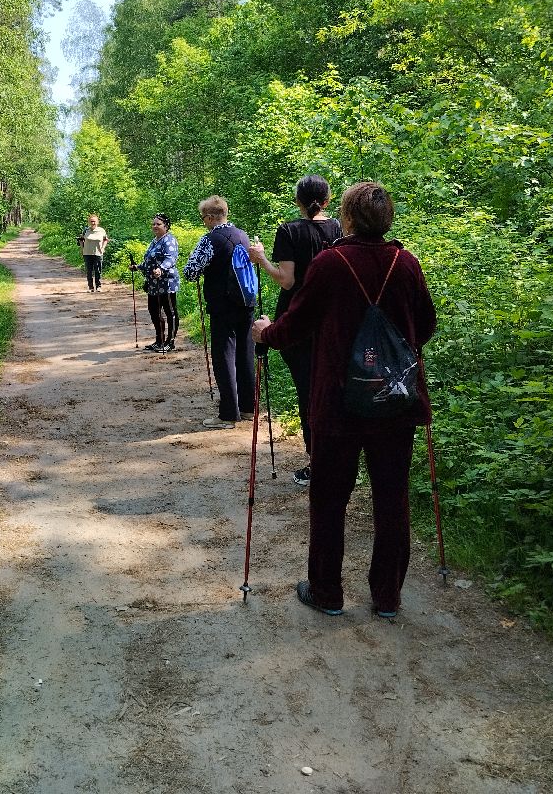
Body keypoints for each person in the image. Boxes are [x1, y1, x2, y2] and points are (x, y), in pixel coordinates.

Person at [252, 182, 436, 619]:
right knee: (392, 497)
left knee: (330, 496)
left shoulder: (331, 264)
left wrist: (265, 332)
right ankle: (387, 597)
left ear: (347, 219)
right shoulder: (405, 263)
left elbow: (295, 325)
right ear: (386, 218)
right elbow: (425, 326)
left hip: (337, 403)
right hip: (394, 399)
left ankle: (327, 592)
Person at [248, 175, 342, 487]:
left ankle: (318, 462)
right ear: (327, 200)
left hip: (298, 319)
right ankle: (335, 459)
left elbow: (286, 281)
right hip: (334, 318)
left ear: (297, 201)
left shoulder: (289, 230)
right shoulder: (339, 228)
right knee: (333, 389)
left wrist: (260, 259)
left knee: (308, 390)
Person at [184, 195, 255, 429]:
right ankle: (247, 408)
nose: (203, 221)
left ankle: (227, 414)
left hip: (222, 304)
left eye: (204, 217)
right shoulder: (243, 235)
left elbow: (191, 271)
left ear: (212, 217)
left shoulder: (211, 239)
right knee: (245, 353)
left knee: (224, 355)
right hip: (246, 302)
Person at [131, 214, 181, 353]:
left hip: (167, 283)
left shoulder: (169, 240)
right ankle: (159, 341)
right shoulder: (155, 241)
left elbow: (171, 259)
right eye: (153, 224)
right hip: (153, 283)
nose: (155, 226)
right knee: (154, 312)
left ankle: (170, 342)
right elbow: (149, 261)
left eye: (158, 224)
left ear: (166, 226)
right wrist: (138, 267)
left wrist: (161, 269)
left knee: (170, 312)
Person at [79, 214, 109, 292]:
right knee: (89, 271)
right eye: (91, 221)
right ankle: (90, 287)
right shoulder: (86, 230)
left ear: (97, 222)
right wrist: (82, 249)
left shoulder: (101, 230)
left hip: (98, 253)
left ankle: (98, 286)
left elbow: (105, 240)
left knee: (98, 270)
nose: (93, 223)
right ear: (89, 222)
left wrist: (103, 248)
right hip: (87, 253)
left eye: (94, 221)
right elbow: (81, 240)